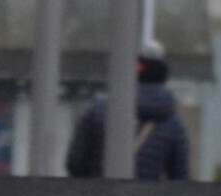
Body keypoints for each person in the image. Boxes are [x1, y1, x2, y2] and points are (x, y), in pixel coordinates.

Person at [64, 52, 191, 180]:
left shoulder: (97, 110)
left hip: (98, 195)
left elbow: (74, 163)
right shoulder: (173, 122)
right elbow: (179, 175)